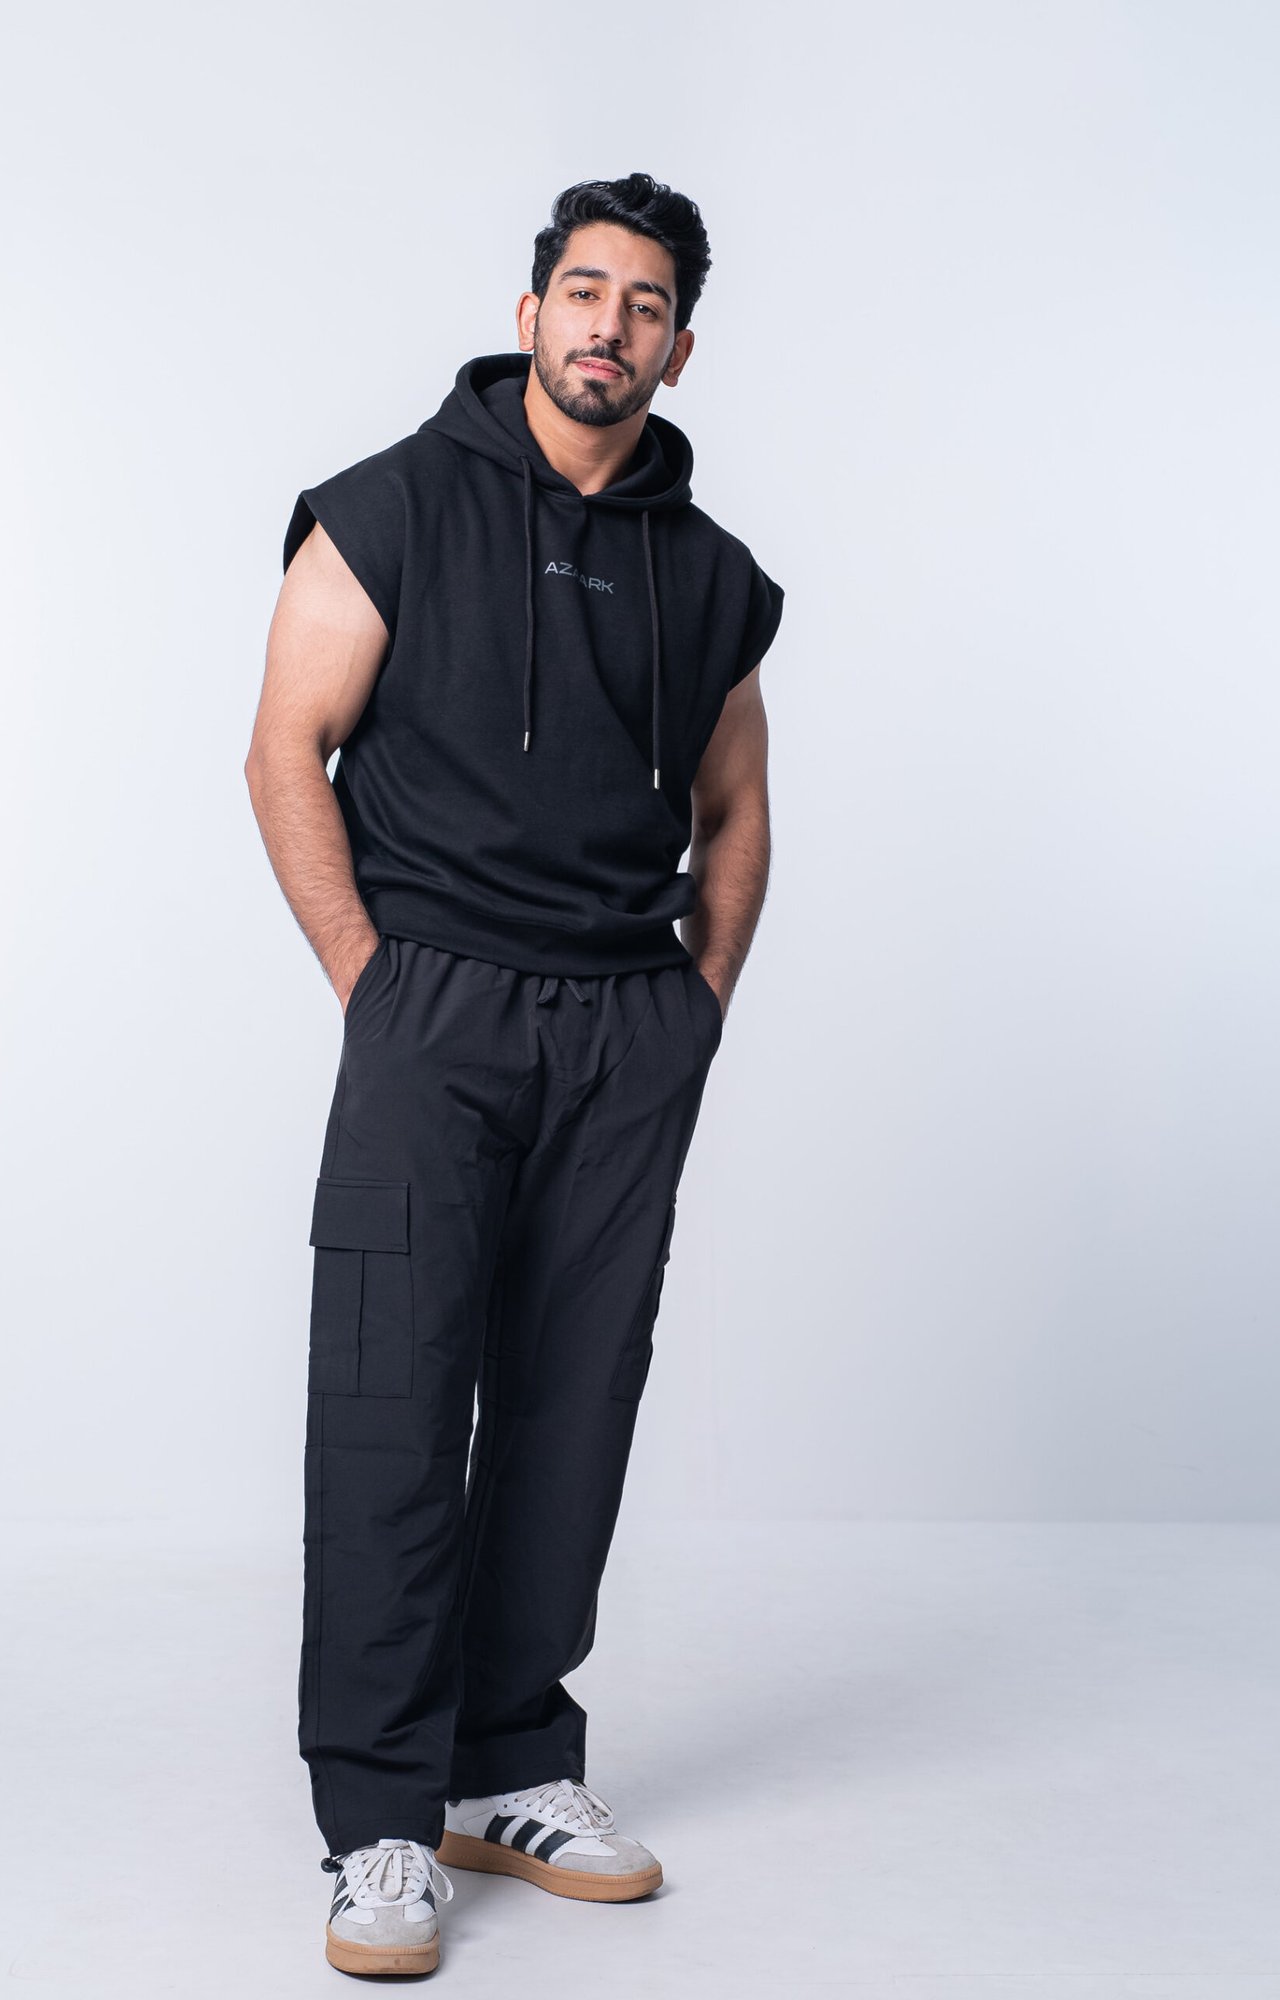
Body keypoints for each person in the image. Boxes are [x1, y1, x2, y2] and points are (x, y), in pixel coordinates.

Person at [243, 170, 784, 1978]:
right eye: (587, 290)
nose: (610, 325)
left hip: (625, 1027)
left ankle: (509, 1764)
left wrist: (695, 1005)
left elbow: (736, 807)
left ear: (679, 348)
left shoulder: (711, 575)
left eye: (648, 304)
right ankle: (381, 1820)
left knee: (572, 1399)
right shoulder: (391, 507)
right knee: (394, 1400)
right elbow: (285, 749)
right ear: (533, 310)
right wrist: (372, 981)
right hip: (436, 1009)